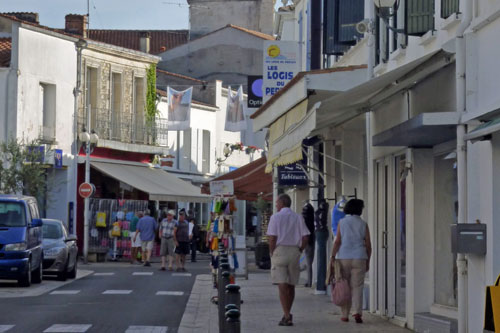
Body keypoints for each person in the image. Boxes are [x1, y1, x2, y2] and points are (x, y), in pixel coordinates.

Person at [267, 194, 310, 326]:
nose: (275, 205)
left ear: (281, 203)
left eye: (276, 203)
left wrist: (272, 251)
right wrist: (300, 249)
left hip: (280, 250)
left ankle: (286, 315)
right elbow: (306, 236)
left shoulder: (275, 217)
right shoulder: (298, 217)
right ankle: (288, 312)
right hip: (294, 251)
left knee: (282, 284)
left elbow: (272, 237)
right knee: (291, 285)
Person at [329, 199, 372, 324]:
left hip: (344, 257)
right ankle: (357, 312)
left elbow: (337, 241)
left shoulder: (342, 222)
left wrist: (332, 256)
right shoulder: (363, 224)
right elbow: (368, 245)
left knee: (344, 286)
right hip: (360, 257)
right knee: (357, 286)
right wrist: (368, 260)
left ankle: (345, 314)